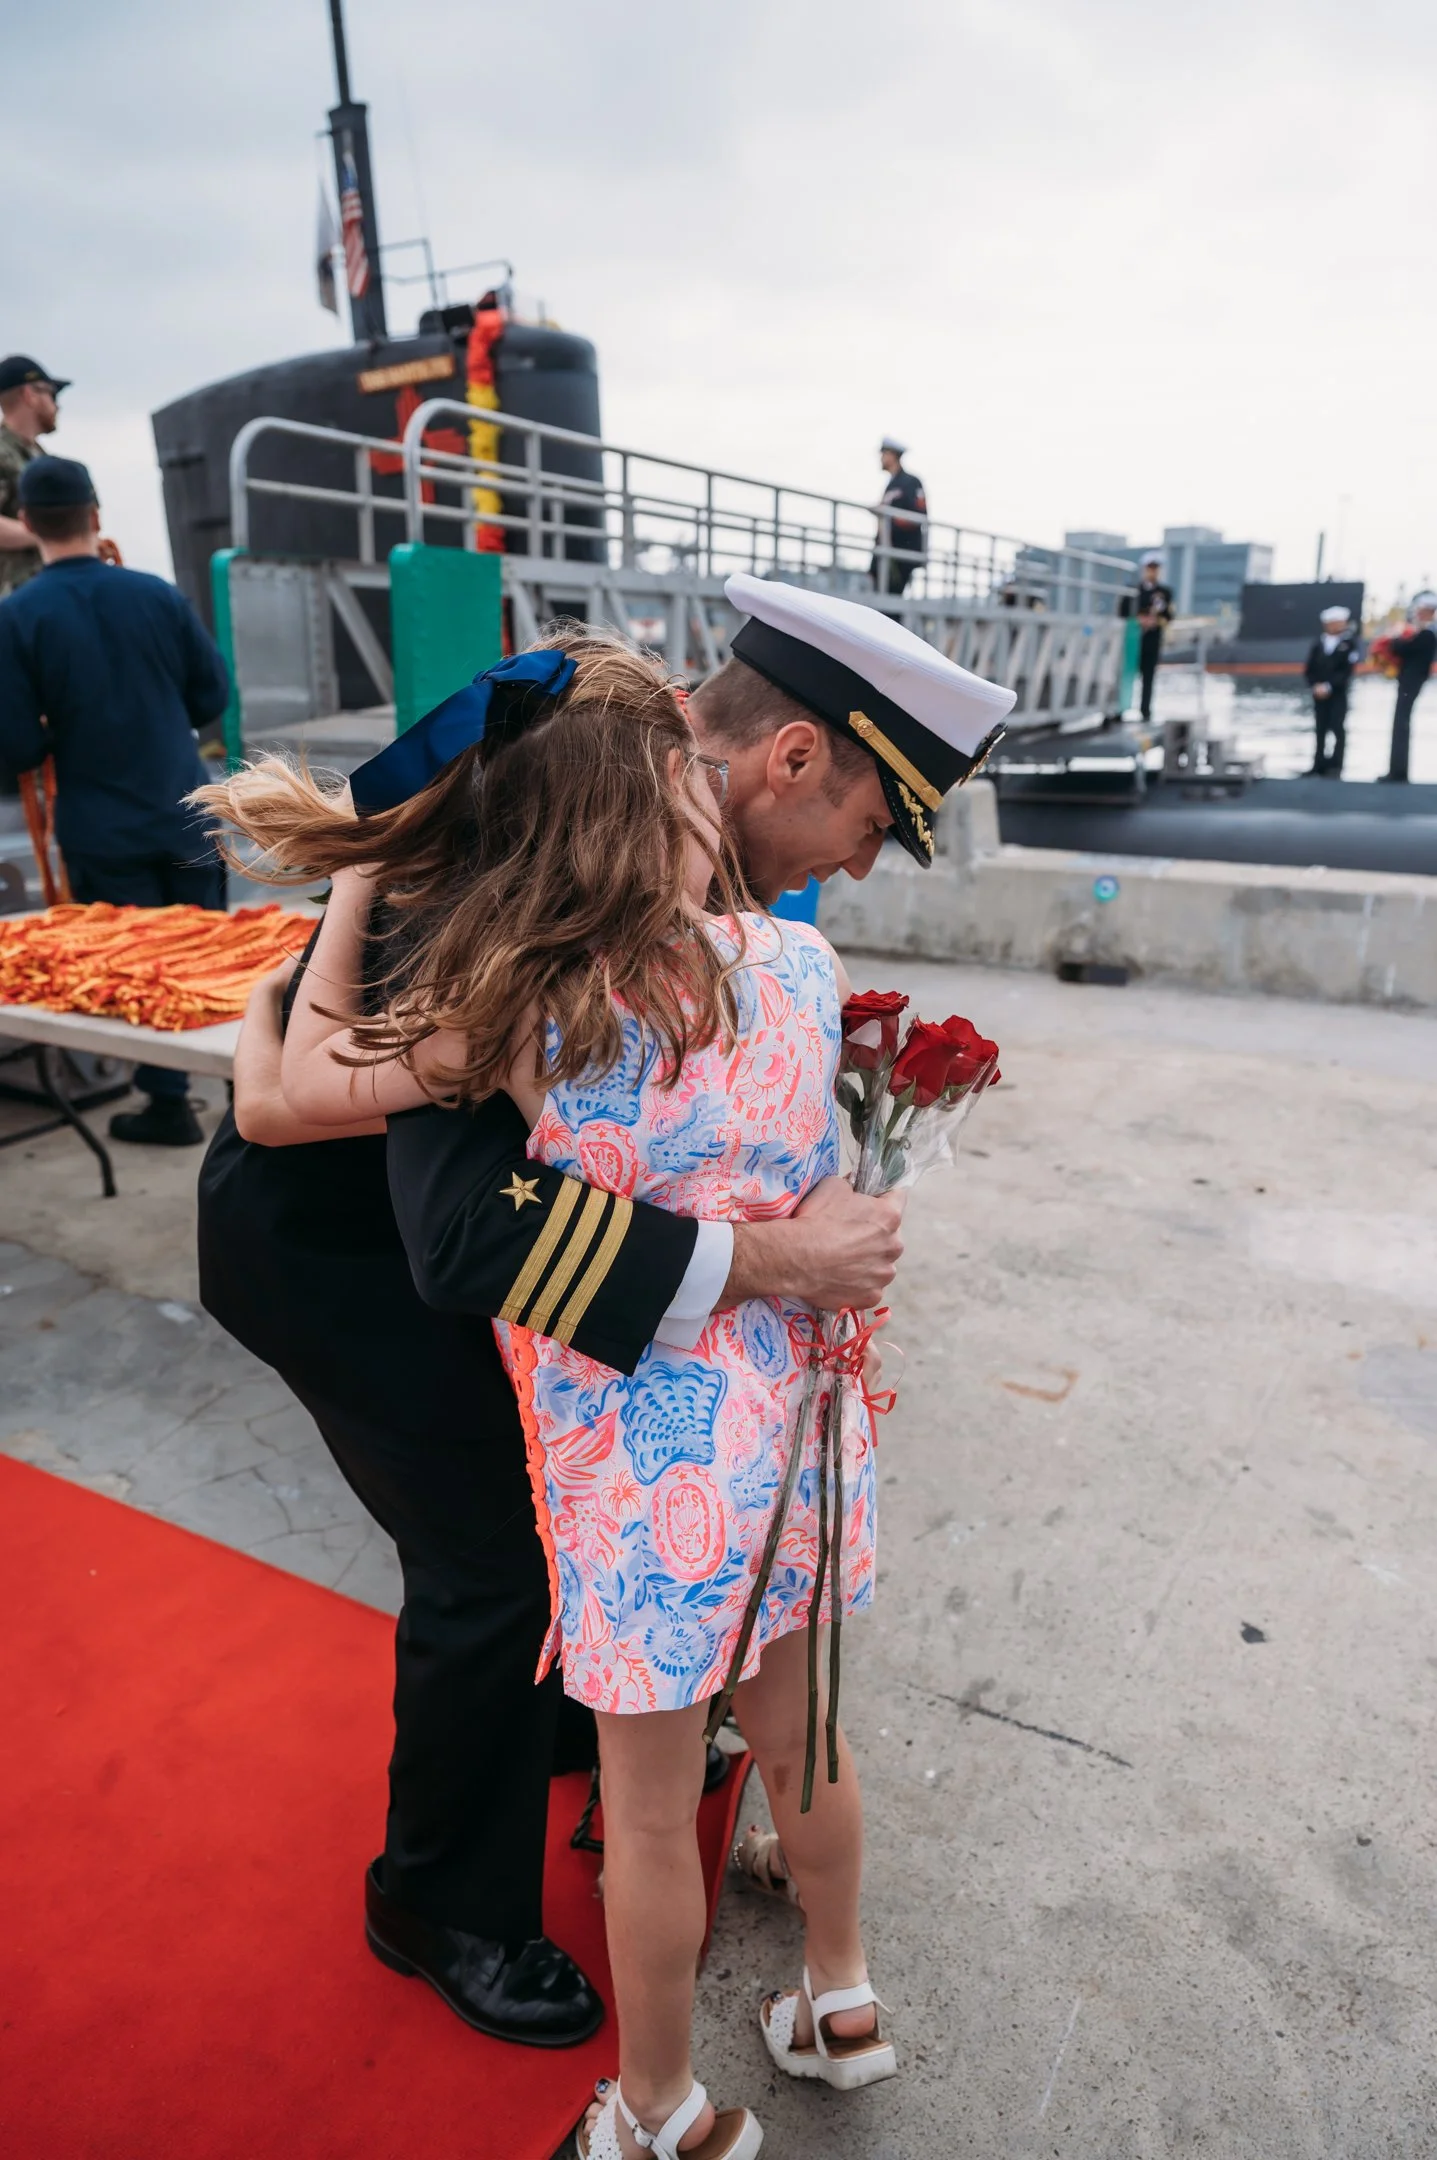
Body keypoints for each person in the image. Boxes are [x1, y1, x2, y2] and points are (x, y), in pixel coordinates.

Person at [262, 612, 1012, 2159]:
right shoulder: (745, 956)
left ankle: (656, 2105)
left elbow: (316, 1087)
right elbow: (422, 1210)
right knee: (613, 1644)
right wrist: (798, 1254)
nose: (855, 869)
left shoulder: (548, 996)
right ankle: (826, 1991)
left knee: (651, 1802)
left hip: (632, 1452)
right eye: (866, 823)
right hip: (381, 1276)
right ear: (772, 760)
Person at [0, 456, 230, 1146]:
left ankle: (168, 1103)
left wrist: (54, 731)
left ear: (30, 525)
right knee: (213, 958)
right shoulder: (157, 594)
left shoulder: (16, 616)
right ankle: (249, 1095)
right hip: (186, 805)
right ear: (95, 517)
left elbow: (12, 747)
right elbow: (211, 695)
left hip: (101, 823)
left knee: (144, 967)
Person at [0, 354, 66, 601]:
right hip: (13, 603)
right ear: (29, 395)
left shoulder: (41, 458)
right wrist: (55, 534)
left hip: (50, 594)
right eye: (52, 394)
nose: (57, 405)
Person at [1383, 590, 1437, 784]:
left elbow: (1400, 648)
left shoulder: (1426, 635)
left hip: (1411, 683)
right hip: (1408, 682)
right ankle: (1397, 769)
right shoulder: (1422, 634)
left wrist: (1396, 637)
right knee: (1400, 725)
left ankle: (1398, 772)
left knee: (1401, 724)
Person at [1304, 604, 1361, 777]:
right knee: (1320, 728)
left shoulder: (1348, 644)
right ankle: (1318, 764)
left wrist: (1329, 686)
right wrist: (1315, 685)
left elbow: (1346, 671)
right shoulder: (1318, 644)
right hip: (1319, 694)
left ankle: (1336, 765)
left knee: (1337, 727)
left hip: (1337, 694)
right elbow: (1309, 669)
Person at [1118, 552, 1174, 722]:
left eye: (1155, 568)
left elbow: (1169, 615)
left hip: (1152, 639)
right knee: (1127, 675)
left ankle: (1145, 711)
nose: (1152, 571)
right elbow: (1122, 613)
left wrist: (1155, 621)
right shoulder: (1132, 590)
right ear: (1144, 569)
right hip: (1133, 640)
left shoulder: (1165, 592)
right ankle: (1120, 708)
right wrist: (1138, 621)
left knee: (1148, 677)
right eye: (1150, 568)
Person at [871, 437, 927, 597]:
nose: (881, 458)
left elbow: (918, 517)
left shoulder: (910, 482)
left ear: (893, 455)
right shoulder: (892, 484)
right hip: (884, 553)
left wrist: (891, 518)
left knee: (892, 608)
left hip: (900, 555)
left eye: (883, 454)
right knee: (881, 607)